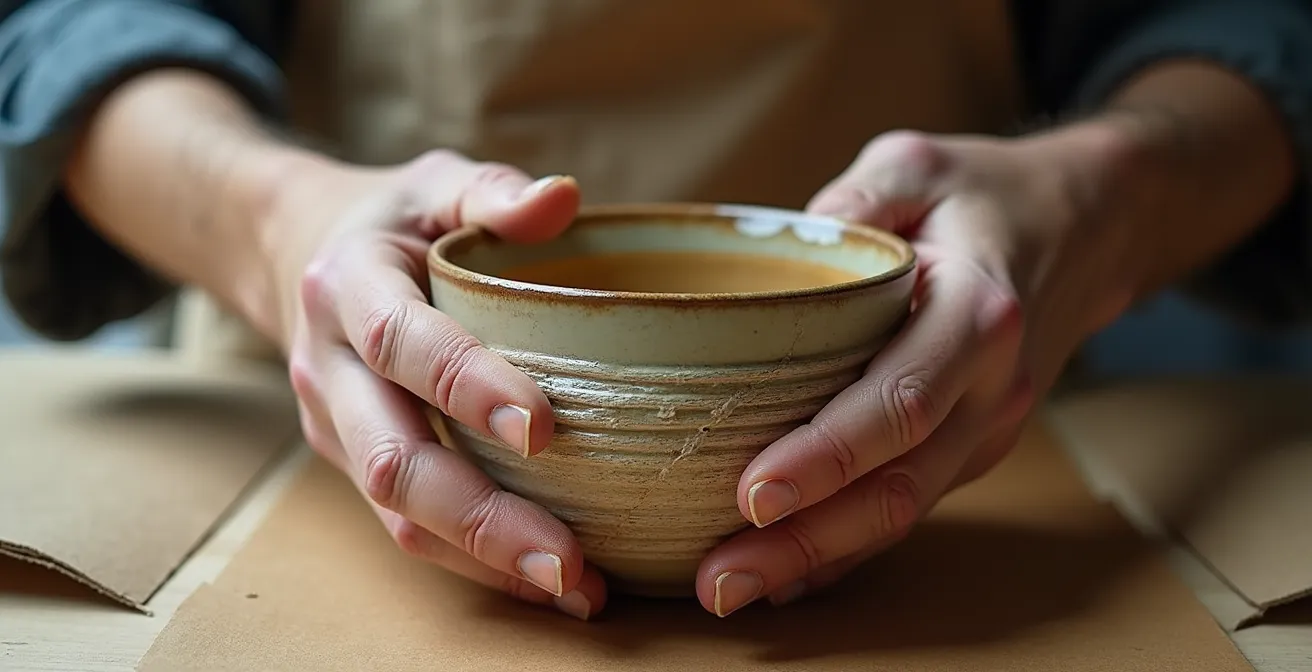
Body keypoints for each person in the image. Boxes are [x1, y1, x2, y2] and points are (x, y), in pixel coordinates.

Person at [1, 0, 1310, 623]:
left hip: (970, 458)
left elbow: (1241, 21)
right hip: (338, 458)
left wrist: (1101, 192)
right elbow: (62, 22)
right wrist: (273, 218)